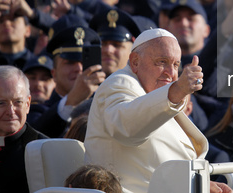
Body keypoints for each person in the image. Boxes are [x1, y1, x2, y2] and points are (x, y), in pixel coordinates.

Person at [84, 28, 211, 193]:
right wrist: (176, 91)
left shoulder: (156, 93)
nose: (171, 73)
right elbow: (127, 128)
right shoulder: (119, 83)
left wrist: (200, 185)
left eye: (175, 65)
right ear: (135, 62)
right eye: (162, 62)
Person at [0, 66, 47, 193]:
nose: (10, 111)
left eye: (18, 102)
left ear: (28, 104)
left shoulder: (46, 151)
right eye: (1, 103)